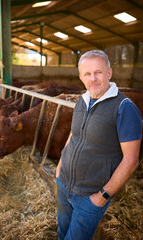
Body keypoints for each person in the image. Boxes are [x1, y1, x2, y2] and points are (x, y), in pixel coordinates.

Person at [56, 50, 142, 240]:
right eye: (87, 74)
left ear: (109, 73)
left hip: (89, 197)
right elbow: (73, 135)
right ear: (81, 77)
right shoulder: (82, 101)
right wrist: (59, 169)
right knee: (62, 232)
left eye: (98, 72)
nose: (93, 78)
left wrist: (102, 196)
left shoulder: (124, 108)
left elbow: (131, 160)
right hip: (64, 185)